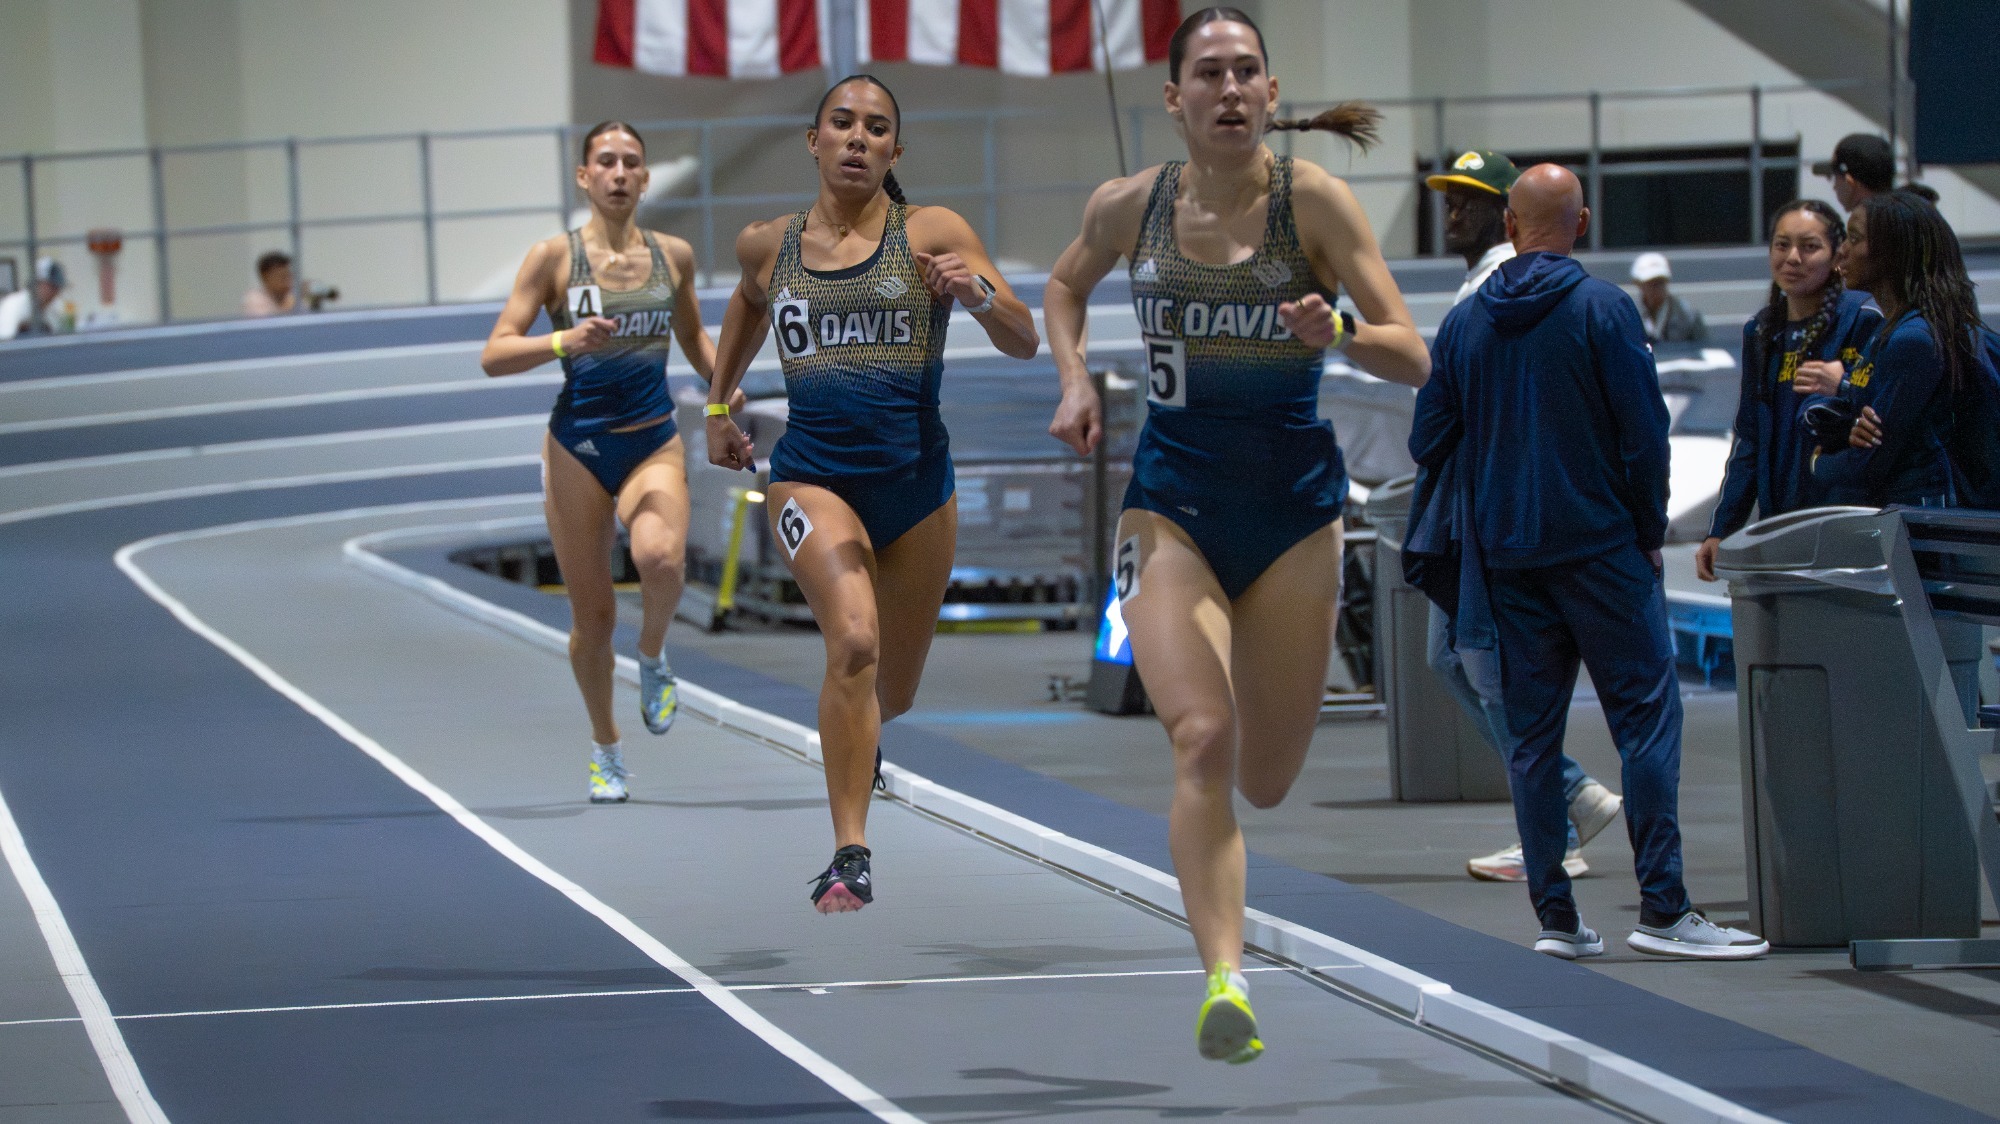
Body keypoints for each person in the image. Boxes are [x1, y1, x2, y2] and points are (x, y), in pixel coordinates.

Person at [1044, 7, 1430, 1064]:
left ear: (1268, 93)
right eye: (1206, 73)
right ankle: (1224, 975)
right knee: (1200, 737)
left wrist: (1339, 329)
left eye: (1244, 72)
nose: (1227, 89)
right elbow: (1062, 285)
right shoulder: (1128, 206)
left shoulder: (1314, 202)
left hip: (1295, 513)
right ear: (1171, 99)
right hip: (1171, 501)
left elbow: (1411, 353)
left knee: (1264, 774)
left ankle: (1227, 936)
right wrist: (1073, 377)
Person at [1411, 163, 1768, 962]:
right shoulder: (1606, 309)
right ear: (1581, 223)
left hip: (1507, 556)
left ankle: (1559, 922)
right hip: (1602, 550)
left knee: (1531, 739)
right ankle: (1664, 910)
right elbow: (1645, 436)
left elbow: (1426, 438)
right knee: (1644, 724)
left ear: (1508, 225)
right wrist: (1645, 527)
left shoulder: (1465, 325)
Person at [703, 76, 1037, 916]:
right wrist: (717, 403)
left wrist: (976, 291)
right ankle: (849, 853)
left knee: (896, 689)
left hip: (919, 488)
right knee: (852, 641)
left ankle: (866, 743)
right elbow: (748, 305)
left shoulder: (933, 232)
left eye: (877, 128)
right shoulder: (767, 244)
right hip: (811, 474)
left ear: (895, 151)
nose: (858, 137)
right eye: (842, 123)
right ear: (812, 142)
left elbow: (1025, 339)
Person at [480, 122, 724, 804]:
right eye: (606, 162)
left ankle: (652, 657)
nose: (619, 173)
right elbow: (495, 352)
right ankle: (606, 748)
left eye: (632, 163)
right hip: (578, 448)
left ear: (645, 179)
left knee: (662, 560)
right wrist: (563, 339)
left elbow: (695, 336)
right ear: (584, 177)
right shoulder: (552, 259)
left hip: (651, 438)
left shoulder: (673, 254)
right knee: (591, 622)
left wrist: (724, 397)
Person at [1424, 148, 1624, 883]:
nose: (1453, 214)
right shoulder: (1484, 289)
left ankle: (1562, 811)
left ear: (1508, 214)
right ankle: (1563, 804)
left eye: (1469, 201)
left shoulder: (1502, 293)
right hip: (1503, 511)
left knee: (1488, 666)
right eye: (1448, 200)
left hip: (1504, 520)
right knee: (1459, 660)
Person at [1695, 201, 1880, 581]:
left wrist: (1843, 386)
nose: (1792, 258)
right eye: (1782, 245)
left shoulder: (1862, 319)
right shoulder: (1761, 332)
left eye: (1809, 247)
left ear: (1836, 254)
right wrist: (1721, 528)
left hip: (1842, 523)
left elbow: (1886, 417)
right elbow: (1749, 438)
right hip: (1779, 522)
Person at [1809, 190, 1985, 509]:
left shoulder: (1914, 339)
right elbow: (1859, 417)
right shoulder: (1888, 330)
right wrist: (1848, 428)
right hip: (1904, 516)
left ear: (1891, 253)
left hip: (1924, 525)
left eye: (1855, 239)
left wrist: (1817, 460)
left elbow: (1869, 461)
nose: (1841, 252)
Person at [1428, 149, 1520, 303]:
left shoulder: (1499, 285)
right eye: (1450, 204)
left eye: (1467, 205)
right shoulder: (1486, 277)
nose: (1453, 217)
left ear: (1506, 214)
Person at [1630, 252, 1705, 343]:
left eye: (1661, 282)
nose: (1657, 288)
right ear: (1638, 284)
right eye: (1651, 283)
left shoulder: (1689, 318)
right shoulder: (1628, 317)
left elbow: (1703, 350)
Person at [1813, 133, 1894, 213]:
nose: (1834, 187)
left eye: (1834, 177)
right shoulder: (1900, 219)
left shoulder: (1863, 224)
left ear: (1849, 182)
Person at [0, 257, 73, 340]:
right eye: (52, 287)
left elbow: (63, 339)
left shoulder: (55, 307)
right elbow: (5, 345)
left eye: (58, 288)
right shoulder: (13, 305)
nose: (55, 293)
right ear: (37, 283)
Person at [243, 251, 298, 317]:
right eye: (282, 277)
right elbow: (268, 324)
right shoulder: (254, 300)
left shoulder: (289, 297)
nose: (288, 282)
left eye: (289, 276)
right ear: (266, 277)